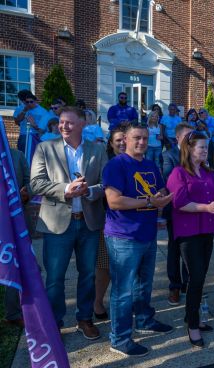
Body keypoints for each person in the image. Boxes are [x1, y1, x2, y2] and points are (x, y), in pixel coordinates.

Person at [30, 106, 108, 339]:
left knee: (88, 274)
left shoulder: (98, 149)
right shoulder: (46, 148)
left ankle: (84, 319)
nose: (63, 126)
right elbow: (36, 183)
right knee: (55, 277)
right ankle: (54, 323)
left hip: (88, 222)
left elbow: (105, 183)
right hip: (57, 224)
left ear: (82, 124)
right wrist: (66, 189)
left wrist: (88, 191)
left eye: (69, 122)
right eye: (62, 122)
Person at [103, 123, 174, 357]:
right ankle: (120, 338)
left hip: (147, 233)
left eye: (145, 138)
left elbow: (160, 191)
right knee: (122, 291)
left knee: (144, 284)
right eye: (137, 138)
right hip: (123, 236)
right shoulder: (116, 165)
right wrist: (149, 202)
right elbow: (114, 201)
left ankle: (144, 320)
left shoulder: (151, 165)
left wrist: (163, 198)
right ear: (125, 139)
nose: (142, 142)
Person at [167, 131, 214, 348]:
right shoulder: (178, 173)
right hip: (188, 232)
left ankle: (191, 316)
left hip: (207, 230)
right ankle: (192, 323)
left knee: (199, 277)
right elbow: (179, 203)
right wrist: (205, 207)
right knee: (196, 277)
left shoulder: (209, 173)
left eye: (206, 146)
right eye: (201, 147)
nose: (205, 150)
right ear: (189, 149)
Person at [93, 126, 127, 321]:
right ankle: (98, 301)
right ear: (110, 143)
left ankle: (123, 302)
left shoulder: (135, 162)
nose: (122, 143)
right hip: (109, 220)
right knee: (105, 266)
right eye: (118, 141)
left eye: (125, 139)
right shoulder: (106, 163)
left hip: (130, 223)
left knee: (127, 268)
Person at [162, 123, 193, 306]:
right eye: (187, 136)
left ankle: (188, 283)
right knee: (174, 250)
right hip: (175, 210)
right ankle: (174, 285)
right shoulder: (169, 155)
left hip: (195, 210)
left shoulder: (198, 155)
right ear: (177, 139)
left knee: (190, 250)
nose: (191, 139)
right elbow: (169, 181)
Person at [3, 148, 31, 328]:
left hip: (16, 219)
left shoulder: (16, 155)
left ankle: (13, 312)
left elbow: (30, 181)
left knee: (16, 264)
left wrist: (26, 191)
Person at [13, 93, 48, 159]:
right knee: (21, 156)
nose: (29, 103)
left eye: (31, 102)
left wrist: (34, 125)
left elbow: (44, 128)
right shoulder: (22, 108)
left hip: (35, 135)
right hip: (24, 135)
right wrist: (24, 111)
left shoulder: (43, 111)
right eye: (27, 102)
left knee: (33, 156)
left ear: (35, 101)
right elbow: (17, 121)